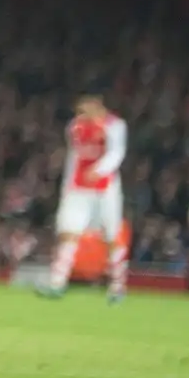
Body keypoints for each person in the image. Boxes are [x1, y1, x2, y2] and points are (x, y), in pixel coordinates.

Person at [37, 94, 128, 303]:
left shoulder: (114, 125)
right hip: (78, 188)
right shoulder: (74, 127)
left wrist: (99, 170)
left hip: (105, 189)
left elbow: (117, 153)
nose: (81, 114)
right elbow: (74, 157)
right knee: (69, 233)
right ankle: (57, 283)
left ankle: (117, 286)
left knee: (111, 236)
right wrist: (67, 187)